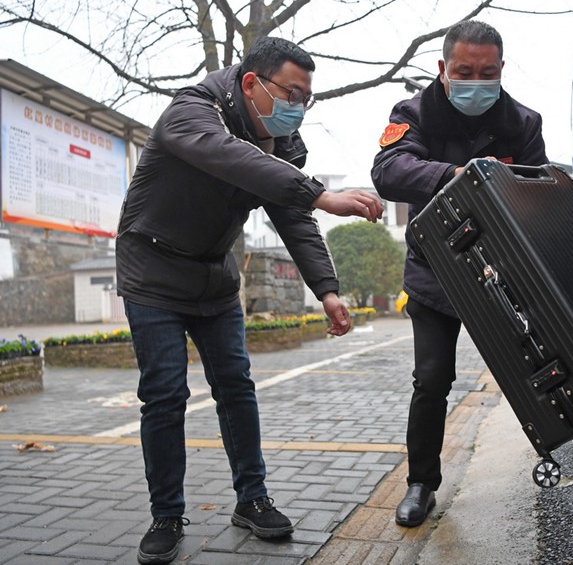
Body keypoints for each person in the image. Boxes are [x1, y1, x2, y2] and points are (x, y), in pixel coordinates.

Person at [371, 20, 573, 528]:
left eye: (487, 72)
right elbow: (388, 169)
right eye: (464, 71)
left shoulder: (522, 122)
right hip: (436, 274)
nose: (476, 81)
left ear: (501, 69)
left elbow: (533, 189)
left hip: (506, 270)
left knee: (565, 356)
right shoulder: (411, 114)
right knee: (432, 378)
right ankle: (421, 484)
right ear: (443, 69)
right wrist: (456, 177)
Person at [116, 36, 383, 564]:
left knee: (236, 386)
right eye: (291, 93)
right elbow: (229, 158)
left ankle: (252, 499)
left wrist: (327, 291)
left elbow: (291, 216)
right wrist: (320, 192)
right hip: (152, 269)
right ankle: (166, 514)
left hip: (213, 274)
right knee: (165, 393)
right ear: (250, 84)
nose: (298, 107)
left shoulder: (283, 143)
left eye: (307, 97)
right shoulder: (191, 112)